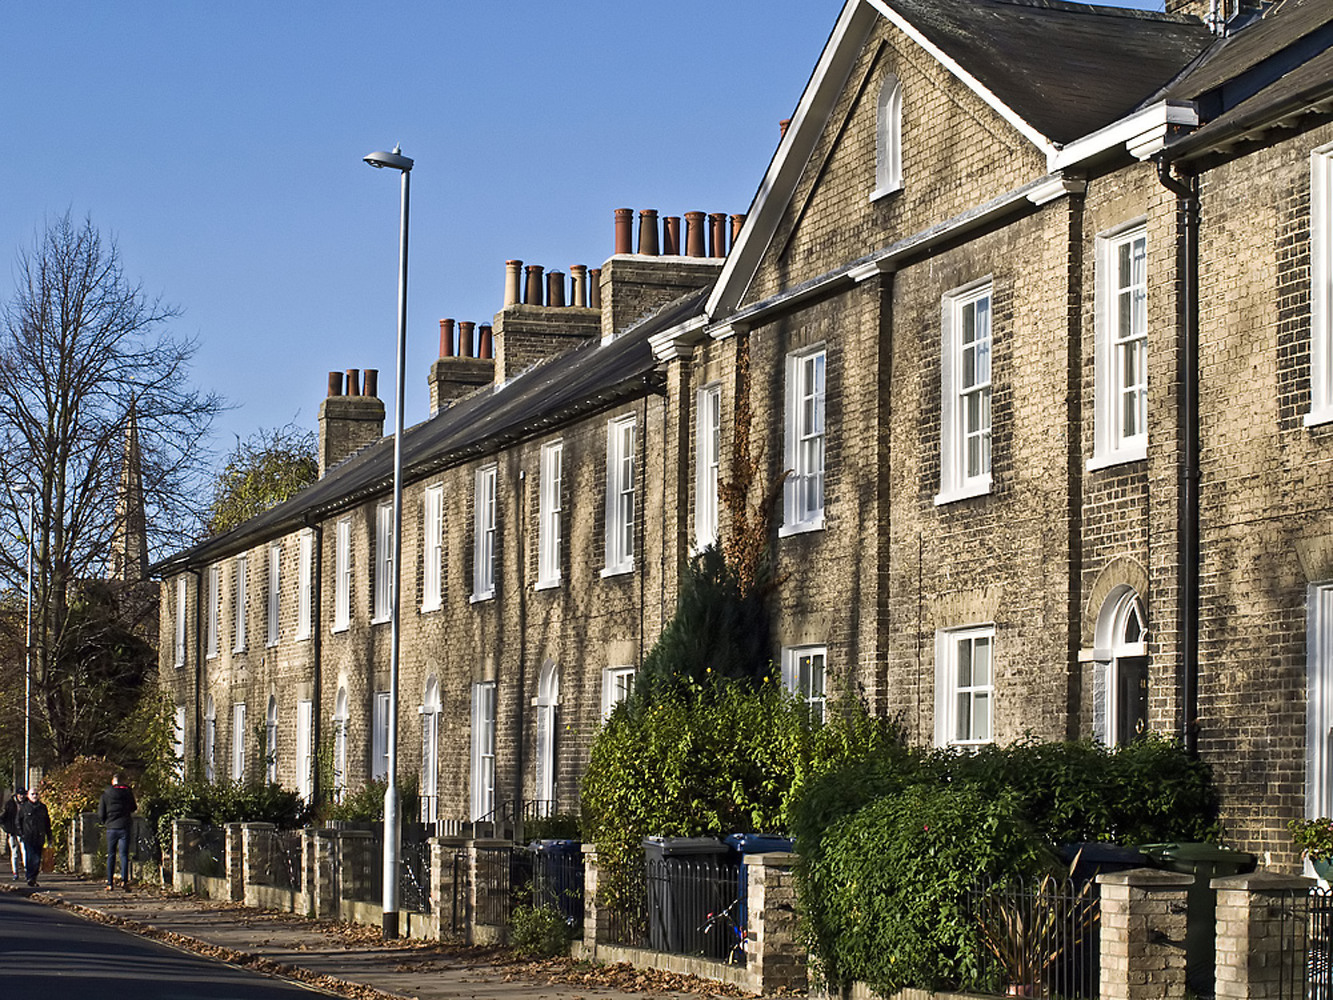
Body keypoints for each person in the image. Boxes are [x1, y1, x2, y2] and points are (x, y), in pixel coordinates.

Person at [97, 773, 137, 891]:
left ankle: (110, 883)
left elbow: (101, 813)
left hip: (111, 827)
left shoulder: (105, 795)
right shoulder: (127, 793)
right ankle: (124, 880)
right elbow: (133, 807)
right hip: (124, 826)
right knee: (124, 855)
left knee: (111, 855)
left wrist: (106, 822)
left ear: (112, 781)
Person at [16, 787, 50, 888]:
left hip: (39, 837)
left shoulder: (42, 807)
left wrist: (49, 836)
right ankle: (30, 877)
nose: (35, 796)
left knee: (37, 859)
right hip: (28, 836)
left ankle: (33, 877)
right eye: (32, 794)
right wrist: (21, 833)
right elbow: (18, 821)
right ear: (28, 796)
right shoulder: (24, 807)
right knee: (30, 857)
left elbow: (47, 823)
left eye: (36, 794)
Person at [1, 790, 23, 881]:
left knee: (24, 851)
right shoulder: (10, 804)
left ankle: (27, 872)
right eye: (20, 794)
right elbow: (4, 817)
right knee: (14, 852)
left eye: (23, 794)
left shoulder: (26, 804)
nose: (22, 796)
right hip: (12, 831)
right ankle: (15, 872)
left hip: (22, 832)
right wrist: (7, 829)